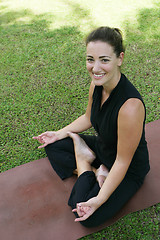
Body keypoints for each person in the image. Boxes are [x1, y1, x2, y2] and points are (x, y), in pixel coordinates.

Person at [33, 26, 150, 228]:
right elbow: (88, 117)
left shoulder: (130, 107)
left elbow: (122, 161)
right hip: (104, 148)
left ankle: (85, 163)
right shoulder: (97, 84)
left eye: (104, 60)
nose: (95, 68)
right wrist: (58, 133)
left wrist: (100, 199)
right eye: (90, 59)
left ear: (119, 58)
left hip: (127, 168)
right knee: (55, 145)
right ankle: (96, 169)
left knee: (87, 213)